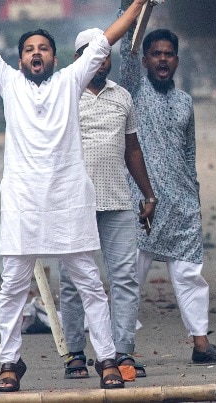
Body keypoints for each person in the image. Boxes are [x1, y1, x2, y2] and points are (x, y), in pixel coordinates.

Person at [0, 0, 150, 392]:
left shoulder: (70, 82)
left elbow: (106, 40)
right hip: (23, 203)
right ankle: (10, 363)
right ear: (19, 61)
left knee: (88, 281)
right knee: (13, 285)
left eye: (43, 49)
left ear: (54, 57)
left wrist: (136, 5)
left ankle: (105, 358)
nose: (36, 54)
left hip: (68, 200)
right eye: (29, 49)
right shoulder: (9, 84)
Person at [117, 0, 216, 367]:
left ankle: (202, 346)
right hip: (140, 204)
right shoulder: (133, 88)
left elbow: (189, 154)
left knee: (190, 277)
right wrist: (129, 0)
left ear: (176, 61)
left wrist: (195, 199)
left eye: (169, 55)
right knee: (129, 279)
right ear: (146, 60)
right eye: (156, 54)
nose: (162, 60)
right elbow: (126, 49)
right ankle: (123, 350)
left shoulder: (184, 102)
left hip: (182, 206)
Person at [57, 28, 159, 381]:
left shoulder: (122, 98)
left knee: (124, 279)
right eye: (91, 53)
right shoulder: (63, 94)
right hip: (73, 203)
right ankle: (74, 353)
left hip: (117, 201)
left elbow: (132, 150)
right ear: (77, 59)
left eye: (105, 53)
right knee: (72, 282)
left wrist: (148, 194)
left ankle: (123, 352)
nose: (101, 59)